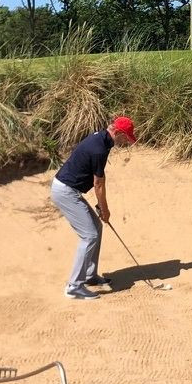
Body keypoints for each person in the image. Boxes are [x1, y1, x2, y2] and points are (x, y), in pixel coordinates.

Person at [50, 116, 137, 300]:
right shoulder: (100, 149)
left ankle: (90, 275)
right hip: (65, 191)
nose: (126, 142)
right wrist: (104, 209)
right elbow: (98, 184)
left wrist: (100, 207)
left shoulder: (102, 140)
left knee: (95, 228)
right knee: (89, 235)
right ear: (118, 133)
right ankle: (74, 286)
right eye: (126, 138)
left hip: (68, 189)